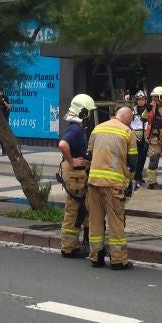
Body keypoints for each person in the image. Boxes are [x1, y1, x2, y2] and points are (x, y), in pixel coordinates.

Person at [86, 106, 135, 270]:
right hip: (114, 186)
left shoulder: (97, 128)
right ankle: (118, 260)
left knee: (95, 221)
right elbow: (133, 161)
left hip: (93, 184)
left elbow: (90, 154)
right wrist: (130, 181)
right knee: (116, 223)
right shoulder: (127, 132)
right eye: (131, 119)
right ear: (127, 118)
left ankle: (96, 258)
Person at [58, 93, 95, 259]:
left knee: (79, 209)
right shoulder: (75, 129)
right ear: (83, 112)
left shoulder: (76, 127)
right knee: (74, 210)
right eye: (89, 112)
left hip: (77, 176)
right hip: (75, 176)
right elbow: (63, 144)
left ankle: (72, 245)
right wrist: (72, 161)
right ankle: (68, 248)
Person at [130, 90, 149, 186]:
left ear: (145, 100)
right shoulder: (133, 110)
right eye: (139, 99)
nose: (141, 101)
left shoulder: (149, 110)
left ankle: (139, 176)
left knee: (143, 158)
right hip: (135, 137)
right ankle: (136, 176)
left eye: (142, 99)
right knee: (136, 158)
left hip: (146, 137)